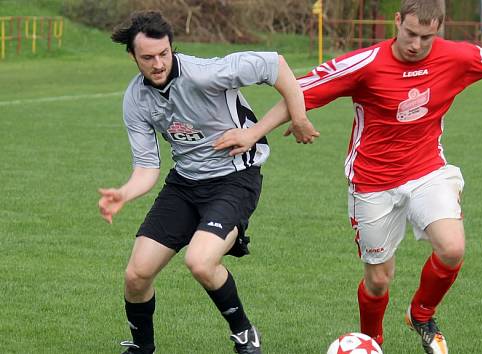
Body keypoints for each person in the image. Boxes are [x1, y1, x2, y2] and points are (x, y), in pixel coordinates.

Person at [214, 0, 482, 353]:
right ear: (397, 22)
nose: (416, 44)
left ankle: (420, 315)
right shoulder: (365, 63)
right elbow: (300, 89)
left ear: (438, 29)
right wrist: (253, 132)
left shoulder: (457, 56)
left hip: (428, 170)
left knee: (453, 247)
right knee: (379, 280)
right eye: (410, 33)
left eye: (426, 37)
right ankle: (371, 340)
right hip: (372, 181)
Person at [98, 10, 318, 354]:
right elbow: (146, 168)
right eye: (147, 57)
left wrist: (284, 123)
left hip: (235, 178)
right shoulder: (136, 99)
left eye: (163, 54)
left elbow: (276, 64)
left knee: (200, 262)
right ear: (132, 56)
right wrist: (123, 194)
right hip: (185, 184)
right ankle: (142, 348)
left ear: (172, 49)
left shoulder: (205, 73)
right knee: (136, 275)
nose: (157, 64)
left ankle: (244, 333)